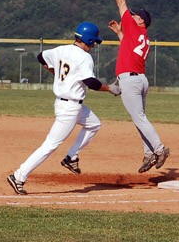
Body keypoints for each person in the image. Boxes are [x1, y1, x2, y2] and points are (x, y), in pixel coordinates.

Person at [7, 22, 121, 195]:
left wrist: (57, 73)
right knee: (50, 145)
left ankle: (71, 157)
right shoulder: (84, 57)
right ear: (89, 40)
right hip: (69, 108)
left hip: (69, 104)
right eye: (93, 42)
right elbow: (91, 83)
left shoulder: (61, 50)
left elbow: (40, 57)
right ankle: (18, 176)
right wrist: (110, 88)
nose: (93, 46)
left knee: (94, 124)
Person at [108, 0, 170, 173]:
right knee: (140, 118)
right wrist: (119, 33)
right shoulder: (143, 36)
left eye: (135, 16)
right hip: (140, 80)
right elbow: (128, 47)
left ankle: (159, 149)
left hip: (130, 81)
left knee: (139, 119)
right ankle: (149, 153)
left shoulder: (135, 27)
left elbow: (121, 3)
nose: (131, 16)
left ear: (141, 20)